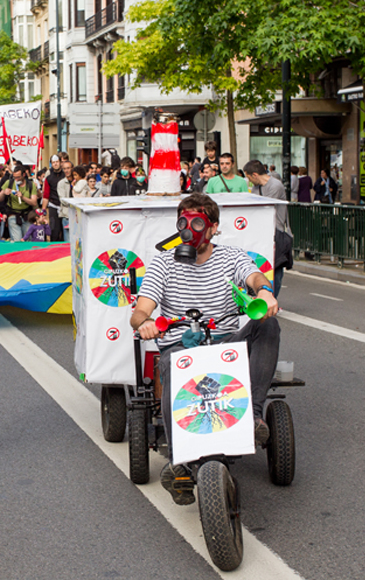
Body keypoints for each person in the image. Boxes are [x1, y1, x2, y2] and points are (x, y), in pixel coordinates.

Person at [130, 193, 280, 506]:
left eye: (197, 223)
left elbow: (254, 276)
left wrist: (265, 292)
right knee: (170, 364)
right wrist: (146, 322)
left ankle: (252, 418)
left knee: (268, 326)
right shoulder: (164, 263)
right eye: (183, 223)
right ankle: (179, 462)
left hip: (225, 342)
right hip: (180, 345)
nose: (189, 230)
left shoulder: (231, 257)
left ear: (213, 228)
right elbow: (140, 310)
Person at [243, 159, 293, 297]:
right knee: (261, 265)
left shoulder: (275, 186)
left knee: (276, 267)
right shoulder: (256, 187)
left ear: (255, 175)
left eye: (249, 178)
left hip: (277, 231)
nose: (250, 182)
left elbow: (264, 206)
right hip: (261, 232)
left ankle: (273, 297)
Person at [0, 165, 39, 242]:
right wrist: (3, 192)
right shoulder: (9, 183)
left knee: (27, 240)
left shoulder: (30, 185)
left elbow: (34, 202)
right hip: (13, 214)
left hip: (27, 215)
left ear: (24, 174)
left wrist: (22, 197)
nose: (16, 179)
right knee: (17, 240)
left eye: (18, 177)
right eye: (14, 177)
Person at [41, 155, 65, 242]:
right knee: (54, 229)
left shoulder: (65, 176)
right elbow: (46, 195)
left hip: (64, 205)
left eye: (57, 162)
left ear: (60, 163)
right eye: (53, 162)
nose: (55, 164)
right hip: (53, 205)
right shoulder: (49, 178)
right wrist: (43, 210)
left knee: (64, 229)